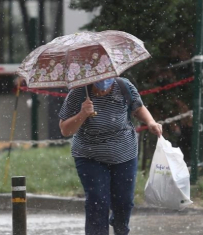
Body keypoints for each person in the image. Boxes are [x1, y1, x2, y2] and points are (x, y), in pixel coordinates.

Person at [59, 77, 162, 235]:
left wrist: (151, 122)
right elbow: (65, 130)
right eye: (99, 81)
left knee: (124, 202)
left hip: (124, 154)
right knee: (98, 200)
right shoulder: (78, 92)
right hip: (89, 156)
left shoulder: (123, 86)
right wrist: (83, 114)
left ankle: (120, 227)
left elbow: (138, 107)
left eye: (108, 80)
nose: (104, 85)